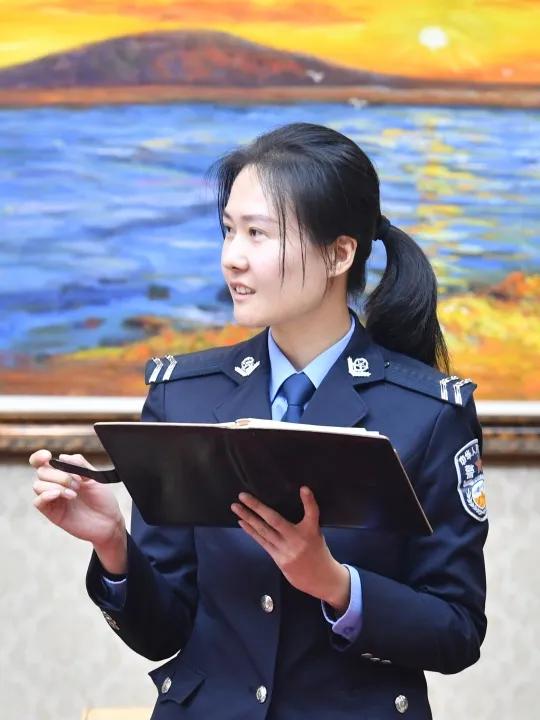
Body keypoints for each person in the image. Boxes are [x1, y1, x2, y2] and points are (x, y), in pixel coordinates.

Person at [30, 122, 488, 720]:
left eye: (258, 233)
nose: (232, 257)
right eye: (228, 230)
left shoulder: (428, 413)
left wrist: (335, 584)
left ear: (339, 253)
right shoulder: (183, 398)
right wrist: (113, 544)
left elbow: (457, 631)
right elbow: (162, 633)